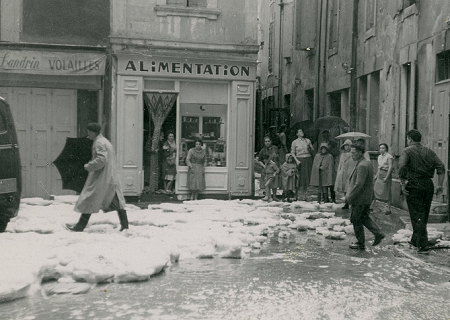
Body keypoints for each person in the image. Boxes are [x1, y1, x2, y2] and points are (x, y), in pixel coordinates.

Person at [66, 122, 128, 232]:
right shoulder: (104, 141)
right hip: (109, 177)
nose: (88, 134)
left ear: (94, 132)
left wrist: (89, 166)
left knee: (90, 199)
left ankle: (80, 226)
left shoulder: (98, 142)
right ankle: (125, 226)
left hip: (103, 177)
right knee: (114, 201)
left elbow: (101, 160)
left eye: (89, 132)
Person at [398, 129, 445, 253]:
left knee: (416, 215)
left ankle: (422, 244)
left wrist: (402, 185)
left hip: (414, 184)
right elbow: (441, 167)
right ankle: (415, 239)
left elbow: (402, 168)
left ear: (410, 139)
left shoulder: (406, 151)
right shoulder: (429, 151)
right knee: (423, 214)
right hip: (427, 185)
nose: (407, 141)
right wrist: (440, 185)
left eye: (408, 139)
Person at [346, 143, 385, 250]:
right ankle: (378, 233)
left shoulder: (363, 165)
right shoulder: (366, 162)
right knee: (363, 217)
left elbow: (359, 184)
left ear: (359, 153)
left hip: (360, 198)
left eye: (353, 153)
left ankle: (361, 242)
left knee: (356, 219)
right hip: (366, 197)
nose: (352, 155)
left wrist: (349, 197)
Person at [291, 129, 314, 201]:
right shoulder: (294, 142)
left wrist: (310, 147)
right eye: (300, 131)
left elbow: (312, 150)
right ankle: (296, 194)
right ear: (297, 134)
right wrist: (296, 160)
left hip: (307, 159)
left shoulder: (307, 140)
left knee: (306, 178)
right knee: (298, 177)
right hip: (299, 160)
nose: (302, 132)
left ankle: (304, 195)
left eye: (302, 131)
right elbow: (292, 153)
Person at [371, 143, 394, 215]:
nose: (381, 149)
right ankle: (371, 206)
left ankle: (388, 209)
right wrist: (376, 175)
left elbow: (390, 167)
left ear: (386, 149)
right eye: (380, 148)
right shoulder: (379, 157)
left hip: (386, 174)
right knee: (375, 190)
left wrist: (387, 177)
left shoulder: (389, 157)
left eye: (383, 148)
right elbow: (379, 167)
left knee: (386, 191)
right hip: (380, 174)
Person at [257, 136, 280, 200]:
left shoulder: (275, 148)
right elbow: (259, 160)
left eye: (268, 141)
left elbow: (279, 157)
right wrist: (264, 166)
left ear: (271, 141)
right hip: (267, 169)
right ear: (264, 142)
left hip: (274, 168)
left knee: (275, 184)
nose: (267, 143)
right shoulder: (263, 151)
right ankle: (268, 196)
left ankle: (274, 196)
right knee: (267, 183)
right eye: (266, 141)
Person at [334, 139, 355, 209]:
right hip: (343, 172)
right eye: (345, 146)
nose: (346, 147)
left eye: (347, 145)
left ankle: (351, 202)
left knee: (350, 188)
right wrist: (339, 172)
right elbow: (340, 164)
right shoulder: (342, 154)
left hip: (350, 172)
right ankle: (346, 202)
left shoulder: (353, 154)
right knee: (345, 188)